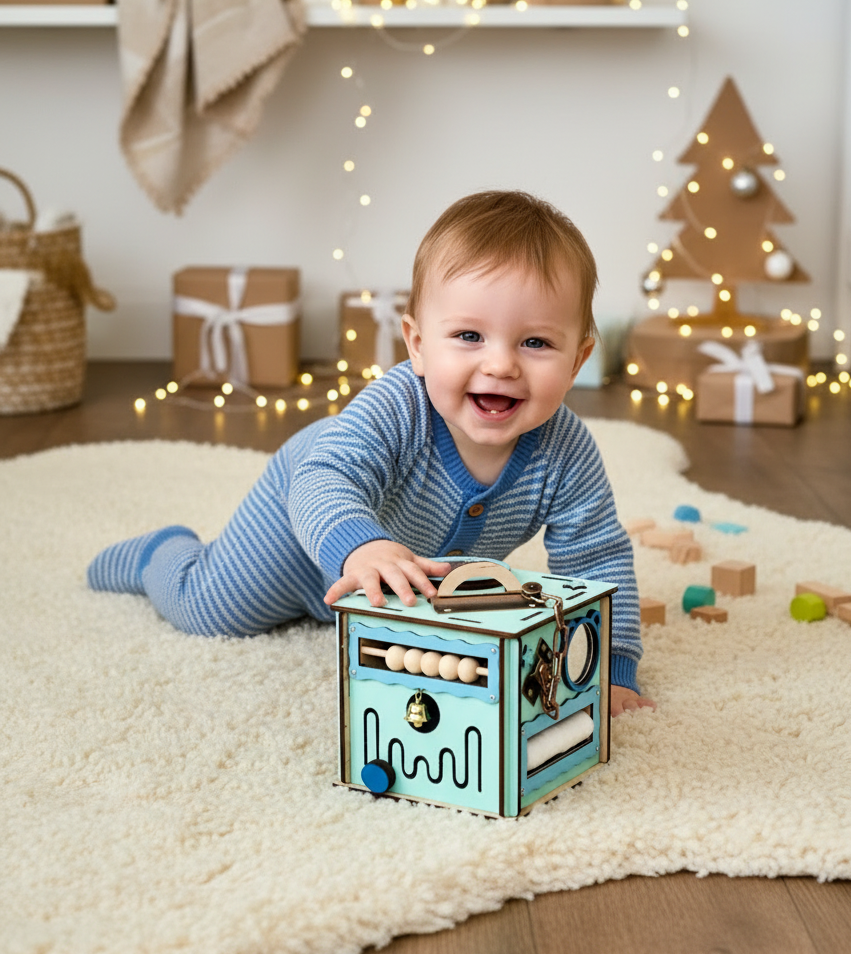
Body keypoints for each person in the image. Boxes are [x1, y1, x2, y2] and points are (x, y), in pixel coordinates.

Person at [88, 190, 655, 716]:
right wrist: (361, 546)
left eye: (535, 343)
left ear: (578, 361)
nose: (501, 364)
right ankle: (160, 553)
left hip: (390, 577)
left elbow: (597, 558)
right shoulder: (399, 406)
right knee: (211, 612)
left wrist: (613, 669)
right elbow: (325, 477)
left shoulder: (567, 450)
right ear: (417, 344)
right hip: (302, 515)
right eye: (468, 337)